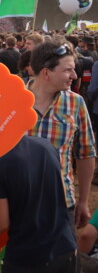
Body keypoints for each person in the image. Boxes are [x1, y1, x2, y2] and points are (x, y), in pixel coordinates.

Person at [0, 136, 77, 272]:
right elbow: (57, 191)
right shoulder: (46, 145)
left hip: (27, 256)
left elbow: (1, 222)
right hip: (64, 246)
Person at [27, 41, 96, 230]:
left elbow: (86, 154)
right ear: (46, 73)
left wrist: (82, 201)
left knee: (61, 259)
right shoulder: (12, 99)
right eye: (68, 70)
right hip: (16, 203)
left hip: (61, 204)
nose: (74, 76)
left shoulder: (76, 103)